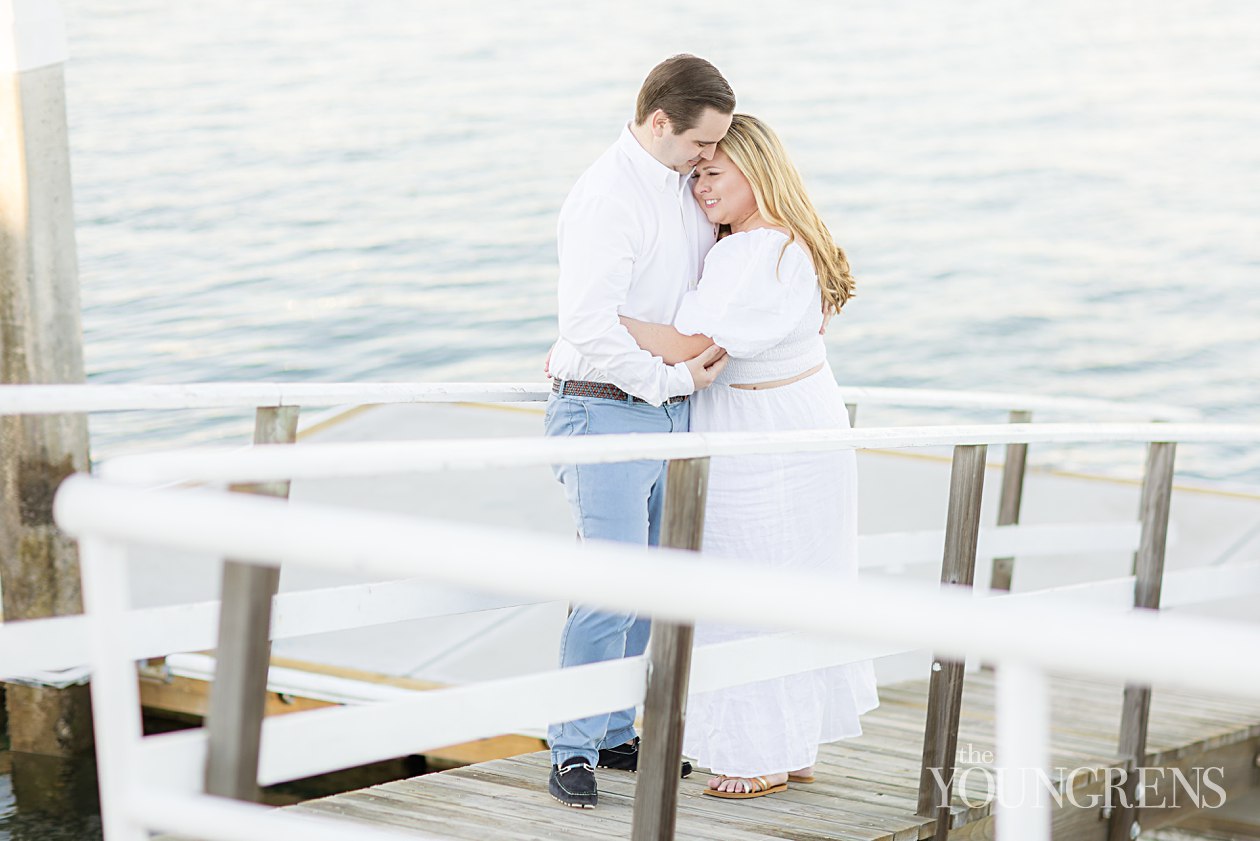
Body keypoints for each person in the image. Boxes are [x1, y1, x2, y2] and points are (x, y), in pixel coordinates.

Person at [619, 113, 880, 799]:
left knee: (741, 582)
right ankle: (789, 743)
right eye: (694, 173)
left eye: (712, 171)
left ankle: (757, 751)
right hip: (805, 419)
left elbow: (694, 342)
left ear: (755, 171)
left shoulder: (749, 252)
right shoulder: (791, 242)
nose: (699, 186)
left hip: (757, 433)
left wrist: (598, 325)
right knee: (796, 578)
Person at [543, 54, 735, 809]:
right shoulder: (607, 197)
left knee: (651, 584)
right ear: (660, 122)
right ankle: (571, 748)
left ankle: (615, 727)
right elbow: (587, 325)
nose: (710, 157)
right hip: (603, 405)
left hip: (666, 409)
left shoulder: (680, 187)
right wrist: (673, 380)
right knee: (610, 585)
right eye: (702, 142)